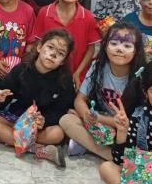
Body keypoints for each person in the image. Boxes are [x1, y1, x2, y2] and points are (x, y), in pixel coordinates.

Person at [0, 28, 76, 167]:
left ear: (62, 61)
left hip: (40, 126)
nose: (53, 54)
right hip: (17, 119)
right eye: (50, 47)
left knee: (58, 134)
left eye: (60, 54)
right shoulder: (21, 70)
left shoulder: (64, 80)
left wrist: (44, 120)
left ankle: (1, 138)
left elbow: (62, 110)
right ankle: (39, 149)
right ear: (40, 47)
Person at [59, 21, 145, 160]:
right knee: (66, 119)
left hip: (126, 129)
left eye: (127, 46)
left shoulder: (141, 76)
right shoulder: (97, 67)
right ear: (105, 46)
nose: (119, 49)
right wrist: (86, 114)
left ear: (136, 51)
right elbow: (80, 99)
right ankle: (106, 153)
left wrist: (98, 118)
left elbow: (134, 123)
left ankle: (93, 148)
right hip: (100, 123)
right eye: (114, 43)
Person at [30, 0, 101, 87]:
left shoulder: (88, 17)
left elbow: (91, 49)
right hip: (46, 73)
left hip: (76, 76)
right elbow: (38, 43)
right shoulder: (44, 12)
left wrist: (78, 73)